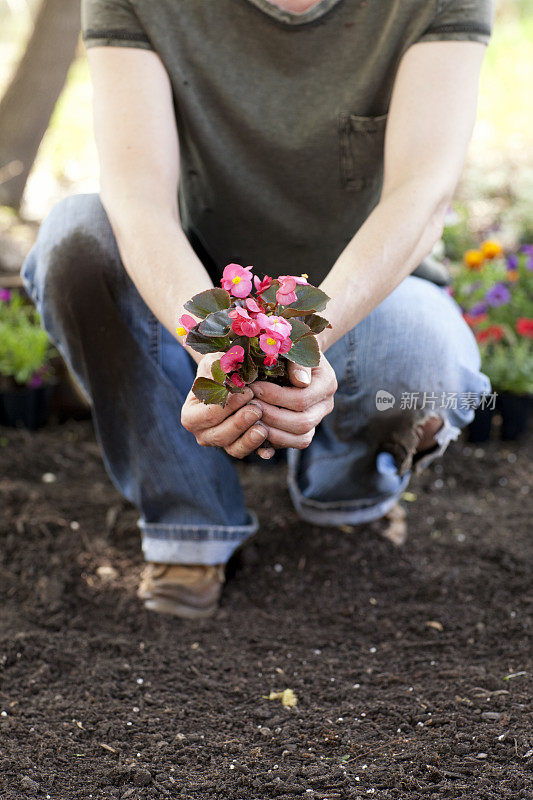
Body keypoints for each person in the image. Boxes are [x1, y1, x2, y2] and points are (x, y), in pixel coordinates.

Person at [22, 0, 494, 619]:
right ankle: (190, 524)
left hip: (365, 295)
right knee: (74, 240)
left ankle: (345, 500)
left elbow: (421, 193)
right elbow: (138, 204)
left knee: (426, 358)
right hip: (204, 287)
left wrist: (305, 342)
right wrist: (220, 355)